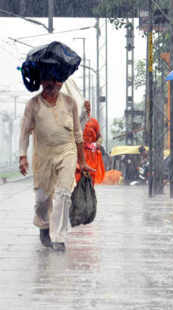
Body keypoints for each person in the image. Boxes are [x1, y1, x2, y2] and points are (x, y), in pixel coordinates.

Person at [19, 79, 93, 251]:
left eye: (58, 82)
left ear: (61, 84)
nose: (53, 85)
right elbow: (24, 133)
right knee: (41, 200)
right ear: (42, 82)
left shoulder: (69, 102)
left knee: (63, 195)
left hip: (67, 152)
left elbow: (77, 133)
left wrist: (82, 161)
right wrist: (23, 156)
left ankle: (58, 237)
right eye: (49, 81)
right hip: (43, 155)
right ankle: (44, 225)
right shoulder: (33, 105)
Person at [75, 117, 106, 184]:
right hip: (77, 155)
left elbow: (99, 137)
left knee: (91, 178)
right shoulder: (73, 120)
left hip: (91, 155)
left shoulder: (93, 121)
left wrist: (97, 144)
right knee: (78, 177)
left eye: (88, 106)